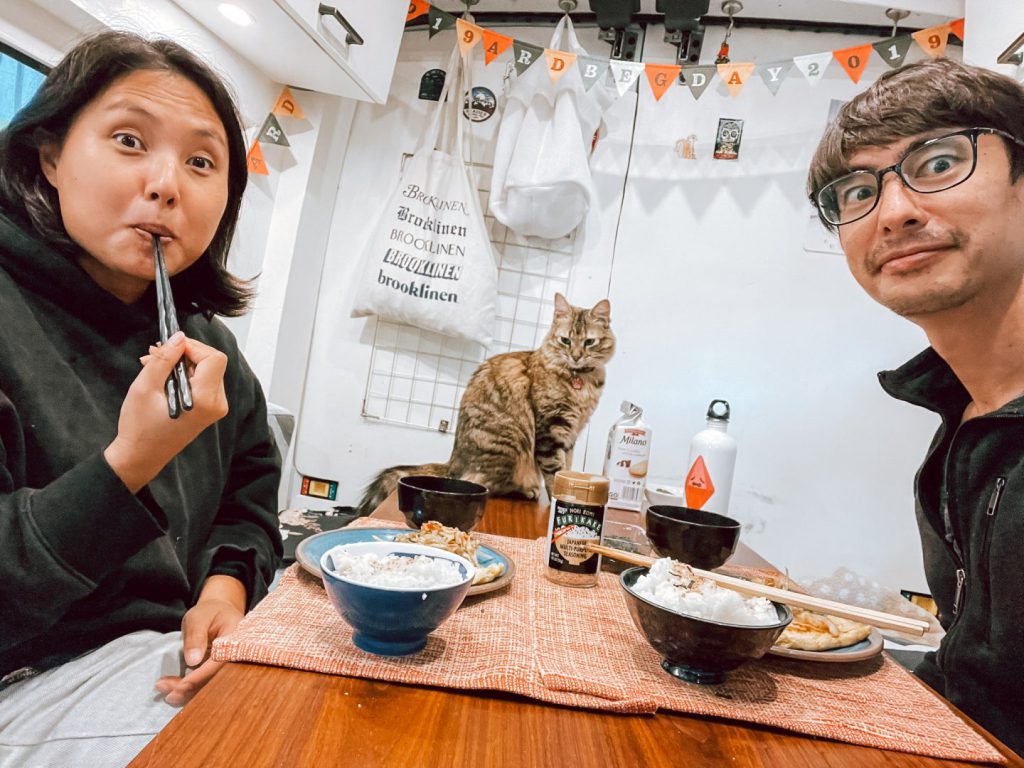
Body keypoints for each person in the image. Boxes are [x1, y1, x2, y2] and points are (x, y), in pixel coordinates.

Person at [0, 30, 283, 766]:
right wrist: (128, 463)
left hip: (151, 661)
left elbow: (248, 502)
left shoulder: (204, 342)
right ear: (50, 154)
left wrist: (224, 589)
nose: (167, 184)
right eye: (129, 140)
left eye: (200, 161)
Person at [807, 57, 1024, 755]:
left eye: (937, 163)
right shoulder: (961, 414)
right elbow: (977, 690)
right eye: (858, 191)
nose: (894, 212)